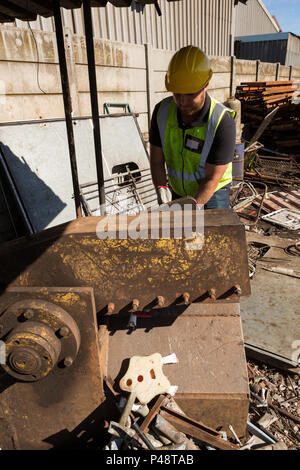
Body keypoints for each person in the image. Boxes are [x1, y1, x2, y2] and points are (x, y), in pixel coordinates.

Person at [149, 45, 236, 209]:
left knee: (210, 233)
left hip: (213, 193)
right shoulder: (161, 112)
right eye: (177, 93)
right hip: (177, 190)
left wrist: (191, 210)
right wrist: (162, 190)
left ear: (206, 85)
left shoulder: (221, 121)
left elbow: (212, 179)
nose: (182, 101)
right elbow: (156, 161)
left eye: (190, 94)